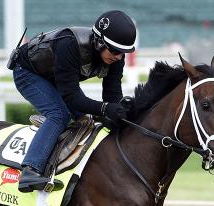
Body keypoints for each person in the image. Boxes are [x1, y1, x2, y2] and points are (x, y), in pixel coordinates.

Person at [9, 10, 137, 193]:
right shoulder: (69, 43)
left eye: (124, 53)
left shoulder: (116, 58)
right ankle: (30, 170)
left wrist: (119, 113)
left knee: (88, 119)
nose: (118, 57)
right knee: (59, 114)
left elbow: (112, 95)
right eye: (116, 51)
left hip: (55, 77)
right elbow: (72, 97)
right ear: (99, 41)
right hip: (27, 72)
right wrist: (106, 108)